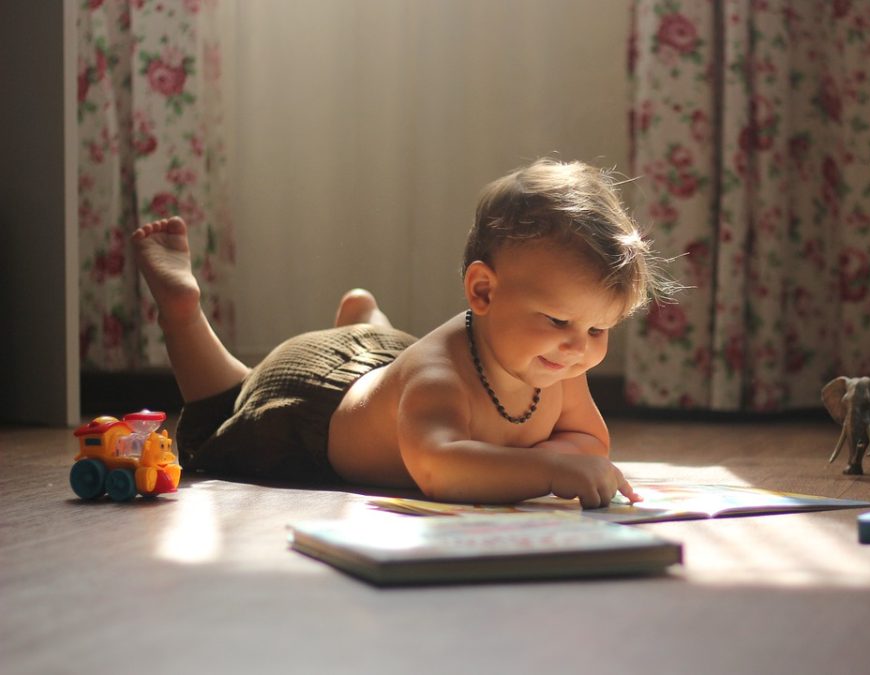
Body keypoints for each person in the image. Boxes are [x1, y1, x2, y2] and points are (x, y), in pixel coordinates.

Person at [132, 159, 675, 507]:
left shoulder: (559, 362)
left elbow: (589, 441)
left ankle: (366, 322)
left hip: (387, 366)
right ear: (482, 292)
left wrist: (574, 454)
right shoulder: (438, 376)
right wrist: (548, 466)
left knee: (392, 355)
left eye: (599, 329)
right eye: (559, 321)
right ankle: (183, 312)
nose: (579, 346)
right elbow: (440, 469)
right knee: (229, 403)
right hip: (310, 403)